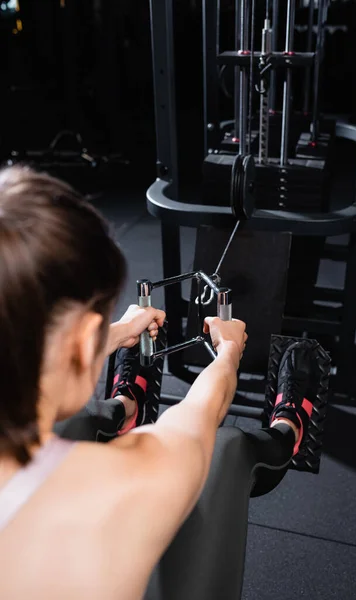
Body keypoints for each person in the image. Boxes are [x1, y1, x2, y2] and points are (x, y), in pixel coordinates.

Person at [0, 166, 316, 600]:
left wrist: (112, 334)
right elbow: (195, 417)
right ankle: (290, 430)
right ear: (77, 344)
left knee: (84, 421)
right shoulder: (122, 484)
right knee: (224, 449)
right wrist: (228, 353)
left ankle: (127, 405)